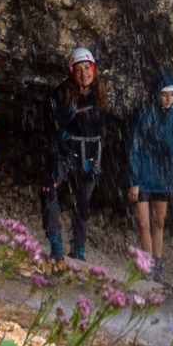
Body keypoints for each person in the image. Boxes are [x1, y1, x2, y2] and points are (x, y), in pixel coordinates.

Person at [38, 46, 106, 262]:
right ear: (71, 72)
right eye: (79, 69)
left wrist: (95, 157)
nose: (84, 74)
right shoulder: (62, 94)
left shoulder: (99, 92)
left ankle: (79, 248)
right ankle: (55, 243)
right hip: (66, 151)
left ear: (93, 69)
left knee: (83, 201)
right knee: (49, 188)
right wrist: (56, 154)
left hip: (90, 153)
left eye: (87, 68)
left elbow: (100, 128)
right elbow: (51, 127)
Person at [127, 69, 173, 267]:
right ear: (157, 94)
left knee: (159, 221)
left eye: (172, 95)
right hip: (144, 172)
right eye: (164, 94)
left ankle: (158, 265)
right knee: (143, 223)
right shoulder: (145, 114)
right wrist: (134, 180)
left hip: (163, 175)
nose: (168, 99)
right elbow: (135, 146)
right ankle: (147, 264)